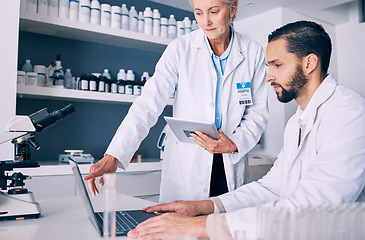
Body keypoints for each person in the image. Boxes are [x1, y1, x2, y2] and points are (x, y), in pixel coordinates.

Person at [126, 20, 365, 240]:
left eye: (277, 65)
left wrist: (196, 226)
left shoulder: (347, 113)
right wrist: (200, 207)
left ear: (309, 63)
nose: (268, 77)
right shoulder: (298, 120)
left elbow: (312, 209)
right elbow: (271, 187)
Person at [84, 0, 269, 203]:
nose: (206, 21)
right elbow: (148, 103)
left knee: (224, 228)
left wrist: (235, 144)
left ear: (232, 9)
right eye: (198, 13)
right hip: (188, 165)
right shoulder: (180, 49)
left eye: (214, 11)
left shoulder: (253, 53)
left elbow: (257, 112)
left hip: (230, 164)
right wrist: (114, 155)